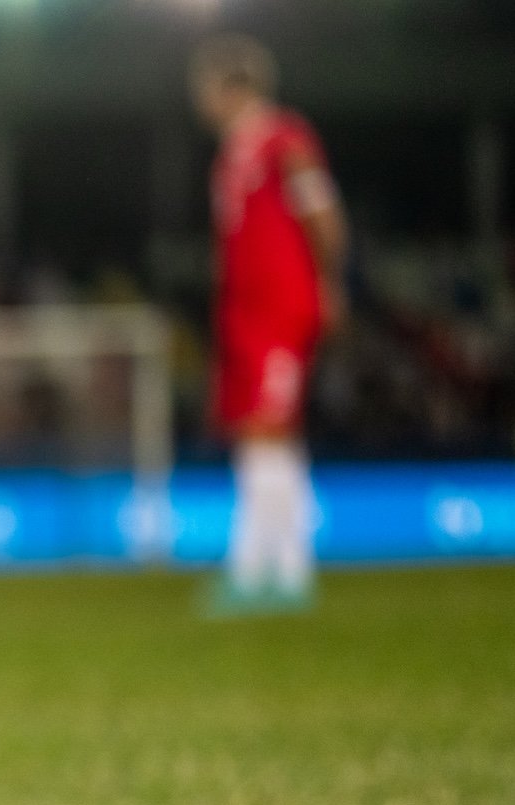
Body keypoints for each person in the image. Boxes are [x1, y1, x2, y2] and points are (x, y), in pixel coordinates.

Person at [192, 34, 348, 614]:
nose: (200, 101)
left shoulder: (285, 138)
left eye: (206, 89)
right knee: (264, 435)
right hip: (246, 309)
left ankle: (271, 571)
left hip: (281, 303)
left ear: (231, 87)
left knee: (265, 428)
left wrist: (329, 283)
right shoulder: (233, 154)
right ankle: (273, 569)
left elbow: (324, 214)